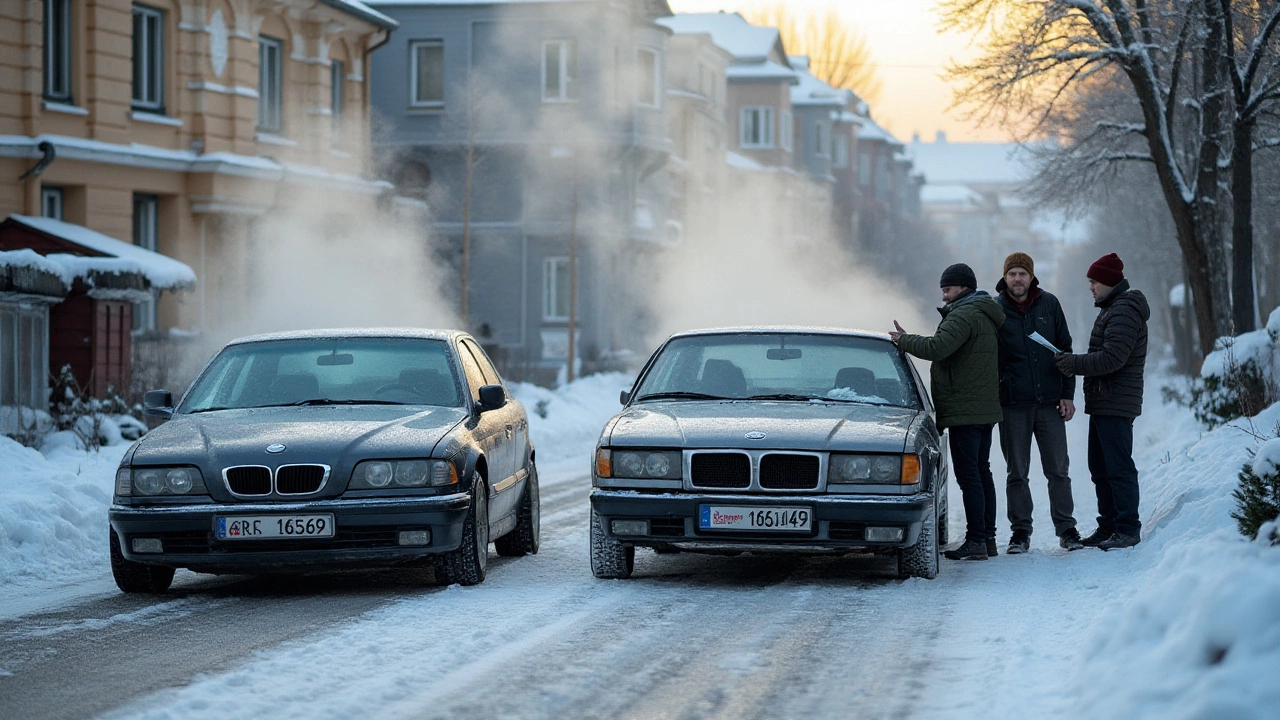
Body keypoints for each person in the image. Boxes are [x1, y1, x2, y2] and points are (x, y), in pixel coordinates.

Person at [891, 263, 1005, 561]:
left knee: (970, 476)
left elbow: (938, 347)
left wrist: (904, 341)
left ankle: (977, 540)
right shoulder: (981, 311)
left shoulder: (965, 313)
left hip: (966, 409)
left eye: (947, 289)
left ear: (962, 286)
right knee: (981, 472)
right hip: (981, 408)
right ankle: (987, 538)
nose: (944, 296)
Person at [1054, 253, 1150, 551]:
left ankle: (1126, 528)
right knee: (1100, 466)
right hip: (1105, 401)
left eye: (1094, 281)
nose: (1091, 287)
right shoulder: (1112, 308)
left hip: (1116, 401)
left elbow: (1113, 358)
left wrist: (1073, 363)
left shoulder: (1123, 311)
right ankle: (1108, 525)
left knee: (1118, 466)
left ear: (1109, 281)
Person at [993, 252, 1083, 554]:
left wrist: (1067, 393)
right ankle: (1020, 532)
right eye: (1012, 274)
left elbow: (1065, 350)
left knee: (1058, 469)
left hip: (1049, 403)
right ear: (1005, 278)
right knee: (1016, 472)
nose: (1017, 279)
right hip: (1013, 404)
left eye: (1022, 273)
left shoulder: (1050, 304)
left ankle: (1067, 529)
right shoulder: (995, 309)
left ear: (1032, 277)